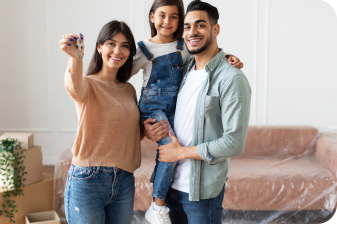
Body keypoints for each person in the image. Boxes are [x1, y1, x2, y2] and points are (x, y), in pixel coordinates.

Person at [131, 0, 243, 223]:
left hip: (200, 192)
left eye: (200, 25)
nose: (192, 32)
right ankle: (158, 203)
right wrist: (145, 128)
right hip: (171, 184)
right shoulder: (186, 68)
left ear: (215, 29)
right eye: (188, 26)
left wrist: (180, 153)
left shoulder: (230, 78)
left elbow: (234, 143)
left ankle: (157, 203)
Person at [59, 20, 143, 224]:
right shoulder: (87, 84)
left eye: (125, 46)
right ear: (99, 47)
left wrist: (148, 129)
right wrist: (76, 58)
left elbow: (130, 134)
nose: (118, 51)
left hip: (124, 181)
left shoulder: (129, 90)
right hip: (88, 180)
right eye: (111, 44)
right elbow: (73, 85)